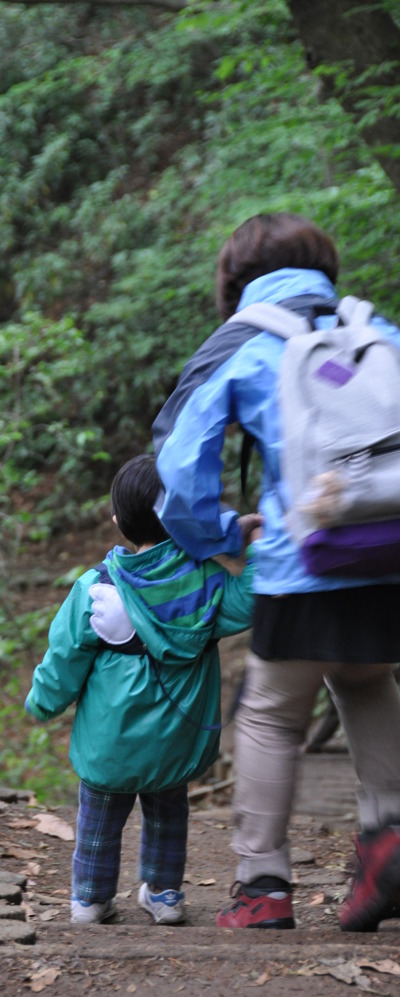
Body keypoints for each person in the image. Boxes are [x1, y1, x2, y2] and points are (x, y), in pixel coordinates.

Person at [153, 212, 400, 932]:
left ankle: (262, 886)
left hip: (304, 561)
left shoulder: (242, 340)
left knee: (268, 713)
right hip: (390, 556)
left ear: (233, 280)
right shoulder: (374, 328)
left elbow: (177, 469)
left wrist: (218, 533)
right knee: (367, 680)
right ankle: (388, 843)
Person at [25, 454, 258, 925]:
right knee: (168, 815)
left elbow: (64, 657)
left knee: (99, 822)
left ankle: (90, 898)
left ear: (118, 521)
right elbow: (252, 600)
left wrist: (42, 702)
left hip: (110, 741)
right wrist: (256, 546)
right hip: (176, 741)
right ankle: (165, 894)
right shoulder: (206, 581)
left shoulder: (95, 588)